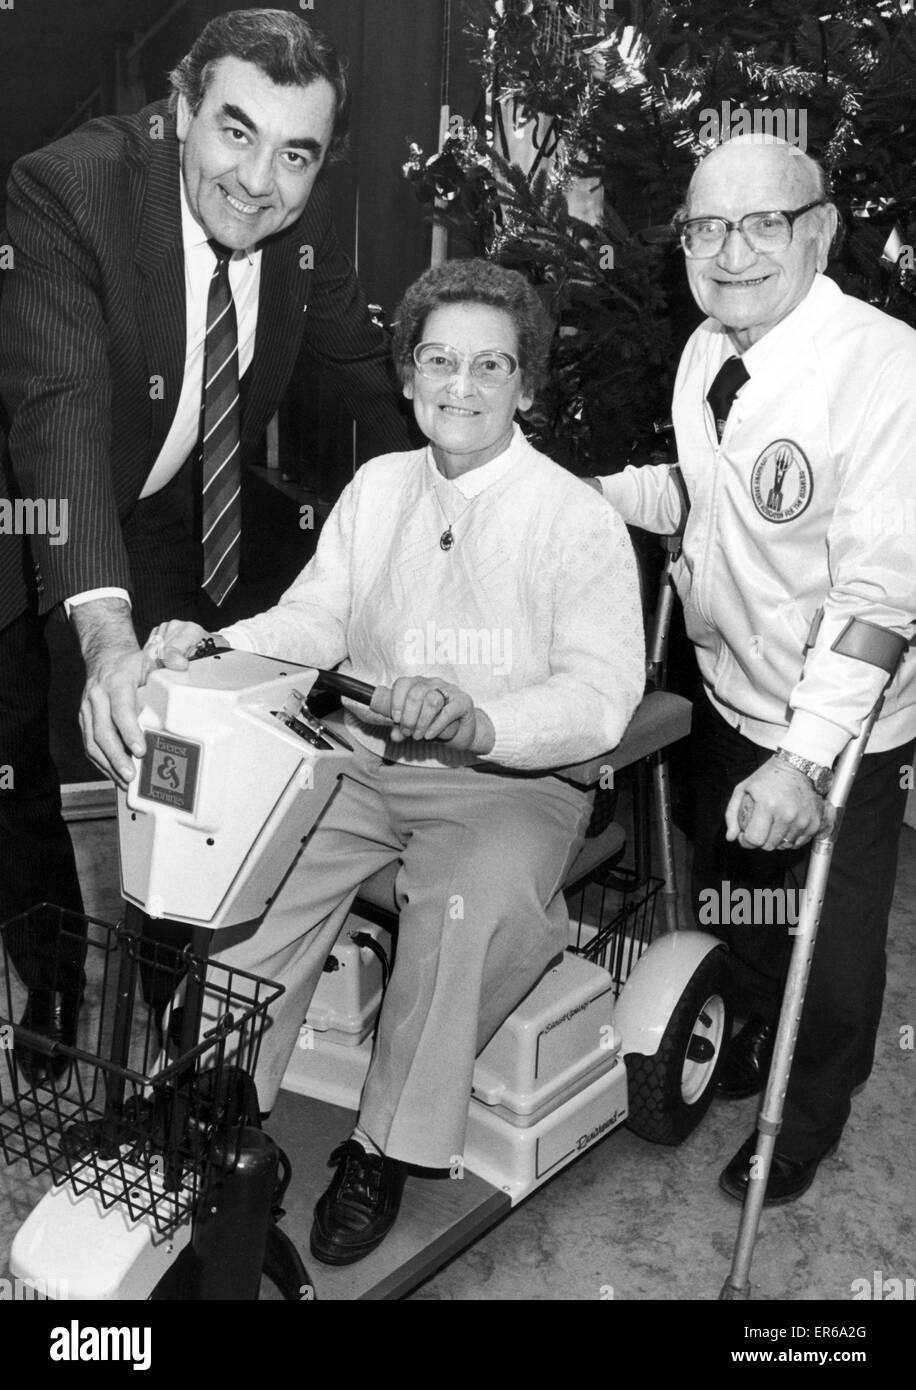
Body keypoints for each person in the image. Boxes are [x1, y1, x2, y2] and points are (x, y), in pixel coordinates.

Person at [138, 258, 645, 1264]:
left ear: (526, 385)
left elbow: (598, 698)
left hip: (513, 785)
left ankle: (381, 1147)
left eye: (490, 366)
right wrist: (214, 638)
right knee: (249, 868)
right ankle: (217, 1105)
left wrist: (479, 720)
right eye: (440, 362)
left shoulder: (573, 516)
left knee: (469, 903)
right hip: (364, 756)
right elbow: (318, 617)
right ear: (410, 377)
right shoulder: (378, 485)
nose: (461, 386)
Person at [0, 9, 411, 1083]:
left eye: (296, 154)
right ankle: (50, 974)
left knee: (184, 756)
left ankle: (177, 994)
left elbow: (363, 364)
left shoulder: (299, 227)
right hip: (25, 497)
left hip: (168, 509)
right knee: (16, 766)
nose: (260, 182)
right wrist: (101, 633)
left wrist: (493, 453)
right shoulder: (70, 190)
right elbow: (64, 412)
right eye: (235, 132)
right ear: (181, 104)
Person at [593, 134, 916, 1205]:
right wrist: (592, 497)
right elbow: (702, 496)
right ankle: (749, 1032)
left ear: (818, 230)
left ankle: (810, 1109)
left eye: (761, 222)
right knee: (737, 905)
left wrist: (801, 764)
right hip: (728, 690)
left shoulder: (884, 370)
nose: (729, 251)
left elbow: (879, 603)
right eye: (704, 226)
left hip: (841, 728)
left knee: (829, 946)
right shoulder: (707, 351)